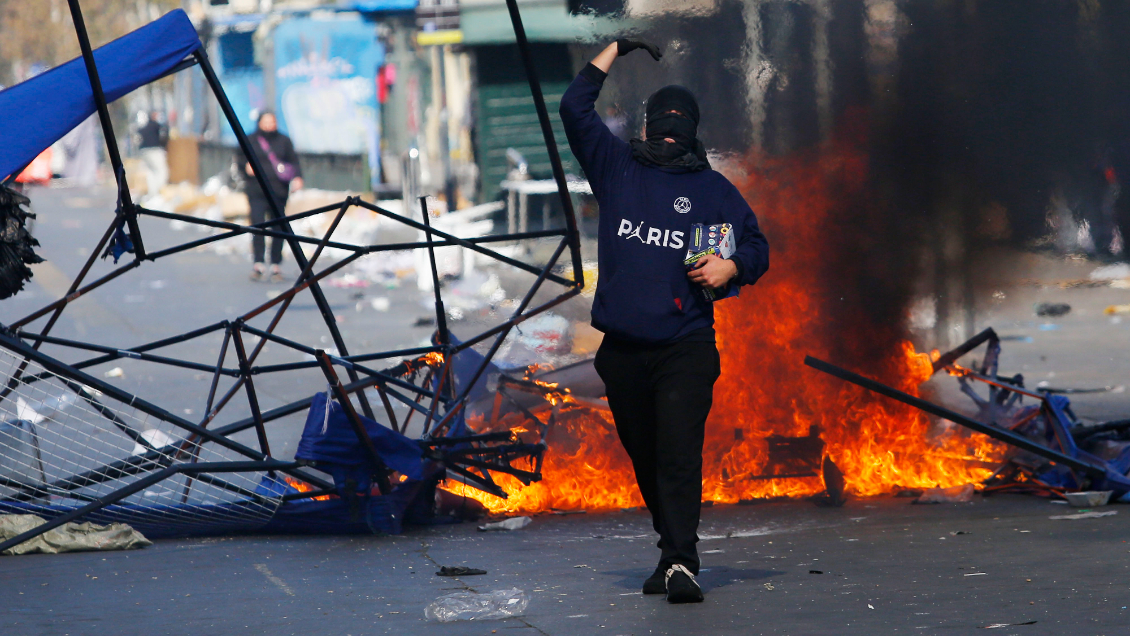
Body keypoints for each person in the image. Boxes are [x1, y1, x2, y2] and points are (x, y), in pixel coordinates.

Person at [559, 39, 769, 604]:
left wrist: (731, 267)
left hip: (685, 347)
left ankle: (681, 562)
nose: (671, 133)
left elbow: (756, 247)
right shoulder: (617, 168)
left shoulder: (711, 190)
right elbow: (573, 108)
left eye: (681, 125)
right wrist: (615, 49)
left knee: (678, 453)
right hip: (623, 350)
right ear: (649, 125)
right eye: (664, 123)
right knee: (646, 456)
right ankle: (668, 548)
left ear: (693, 131)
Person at [242, 110, 303, 282]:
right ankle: (258, 263)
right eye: (266, 121)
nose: (269, 125)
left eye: (272, 121)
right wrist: (245, 167)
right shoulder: (251, 140)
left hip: (278, 191)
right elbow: (239, 160)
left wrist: (298, 177)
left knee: (278, 228)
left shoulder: (284, 141)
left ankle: (276, 264)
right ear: (259, 122)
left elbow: (294, 160)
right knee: (257, 226)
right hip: (256, 191)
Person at [137, 111, 168, 198]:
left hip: (144, 151)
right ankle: (160, 192)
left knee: (151, 172)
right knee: (161, 170)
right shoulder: (156, 126)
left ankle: (152, 193)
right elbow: (164, 135)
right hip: (154, 150)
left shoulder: (145, 127)